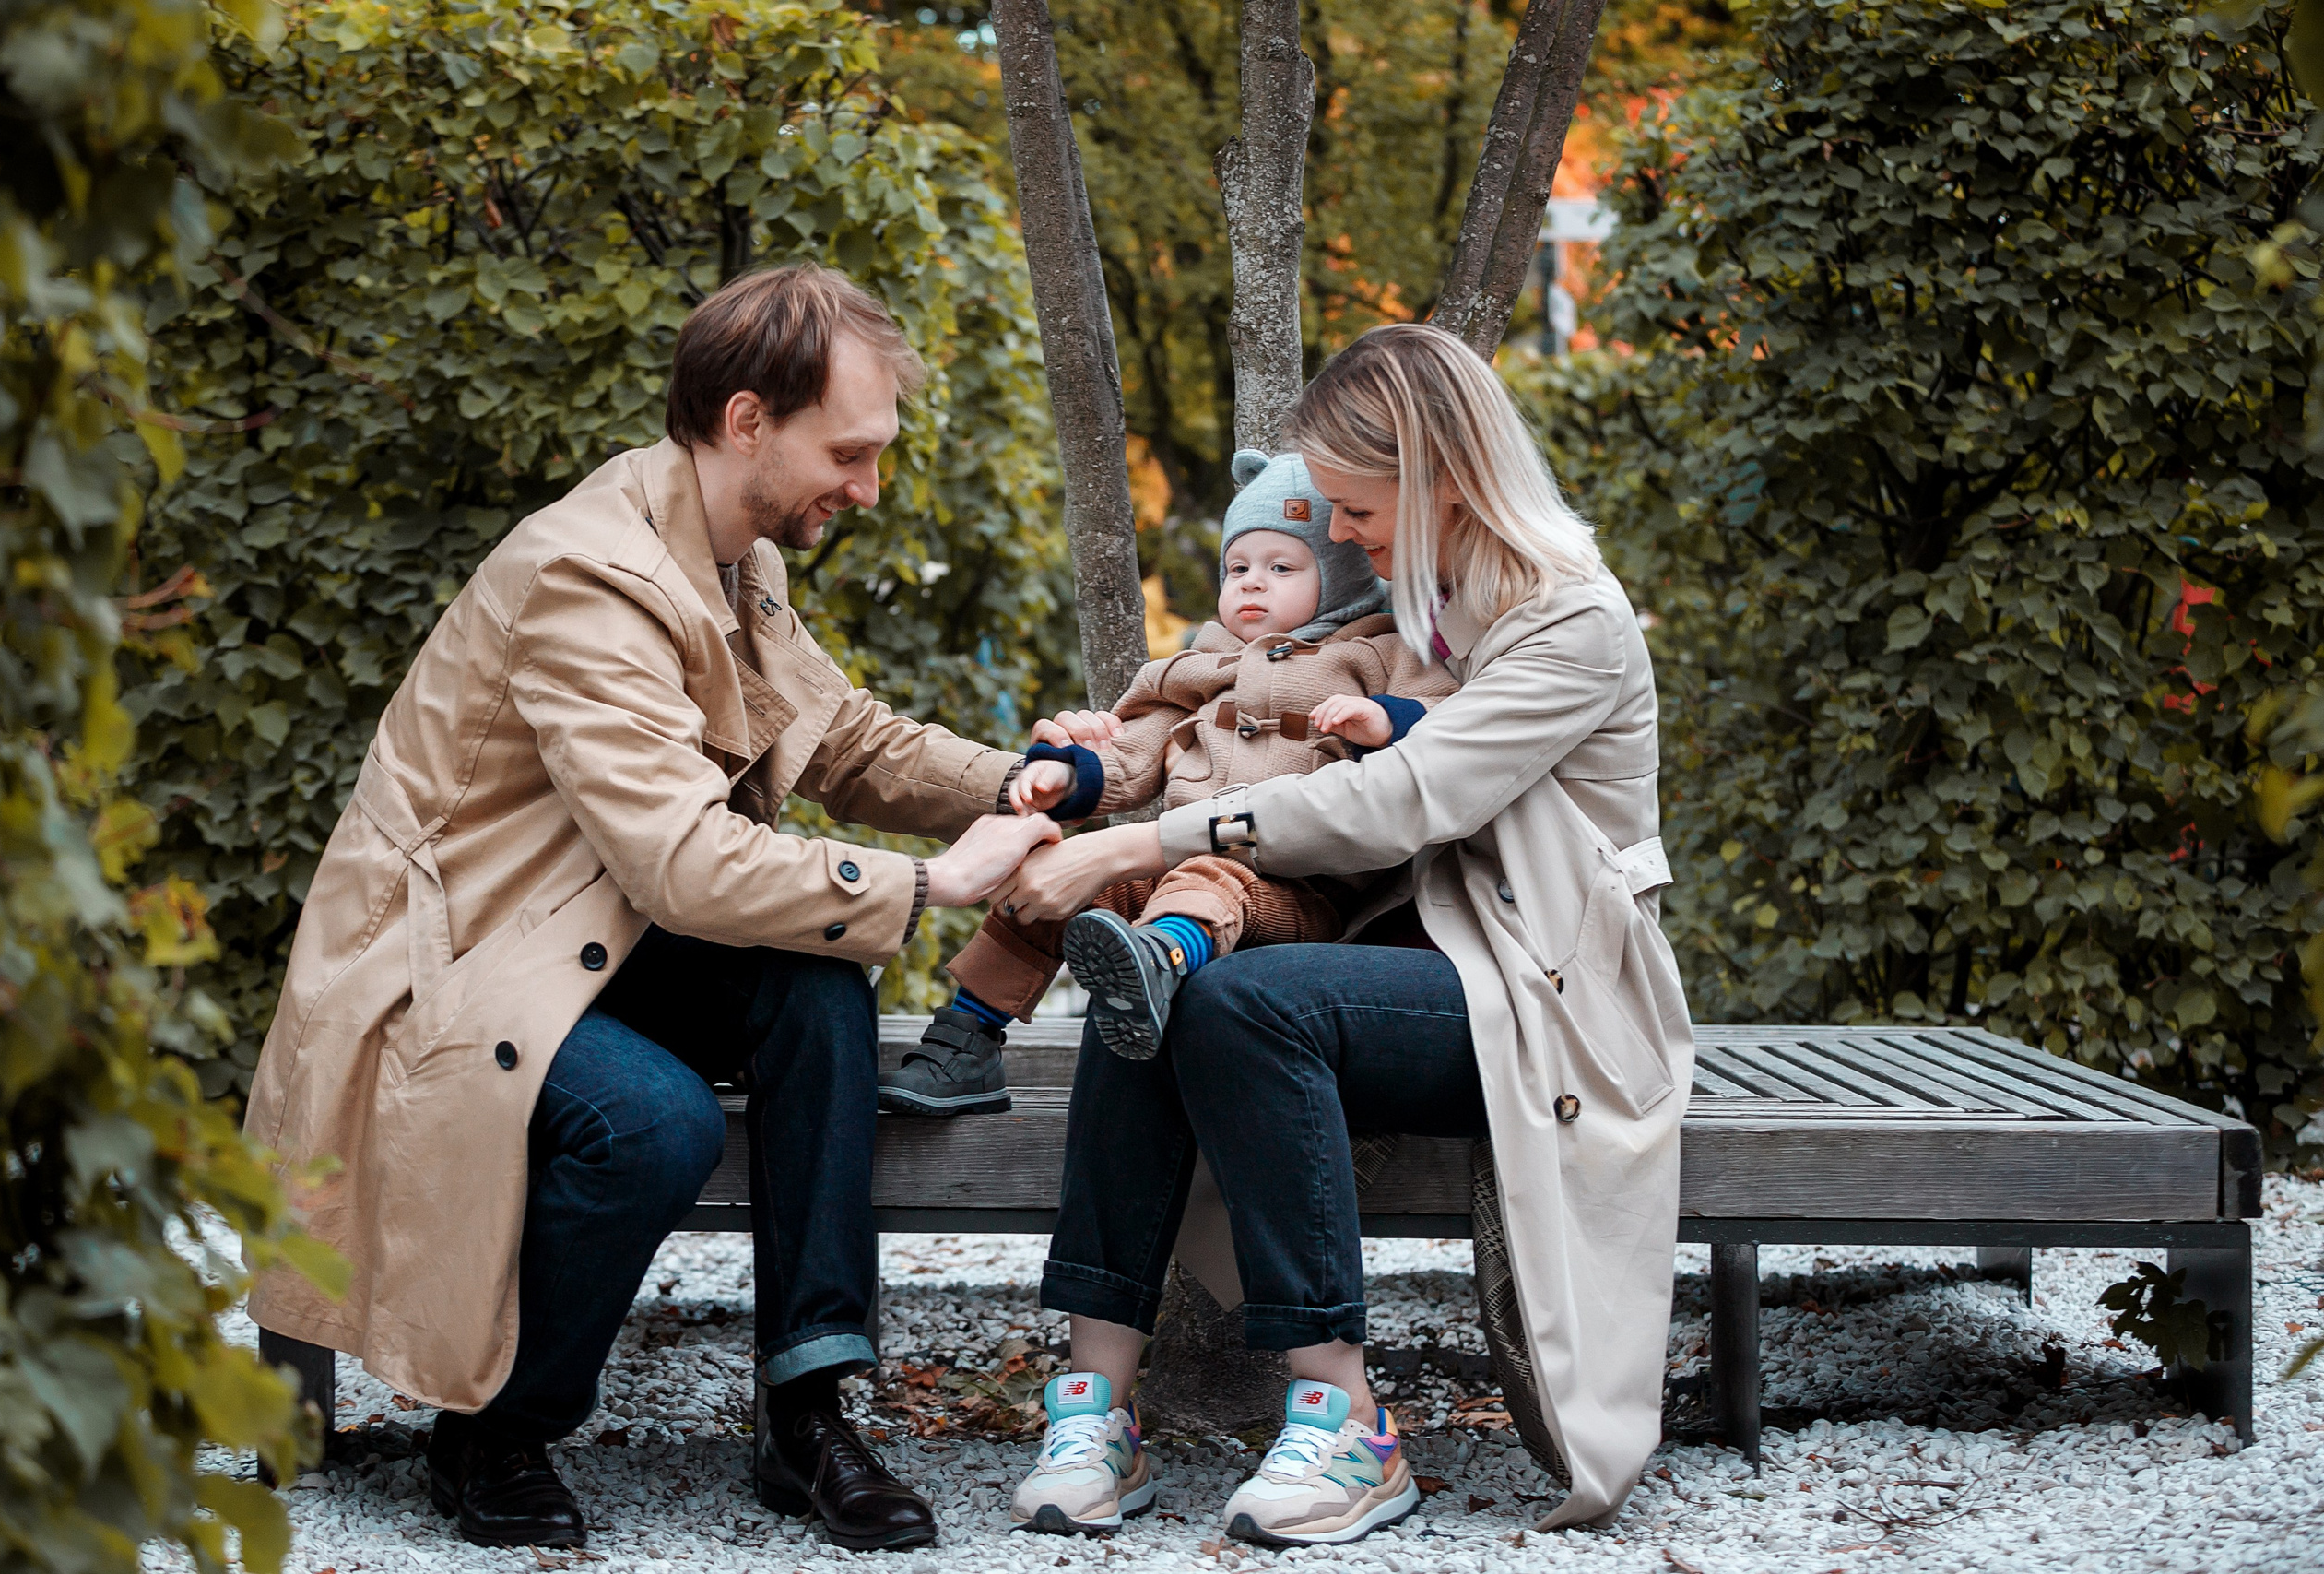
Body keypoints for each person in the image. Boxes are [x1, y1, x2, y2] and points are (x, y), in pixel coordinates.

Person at [241, 265, 1069, 1554]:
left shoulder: (732, 553)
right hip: (451, 959)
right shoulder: (591, 576)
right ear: (748, 421)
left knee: (812, 986)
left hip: (584, 930)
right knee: (649, 1122)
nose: (866, 484)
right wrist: (926, 881)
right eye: (847, 452)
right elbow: (682, 863)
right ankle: (498, 1427)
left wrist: (1011, 780)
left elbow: (839, 734)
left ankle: (810, 1408)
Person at [997, 323, 1694, 1545]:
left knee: (1239, 994)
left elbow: (1397, 799)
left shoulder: (1569, 626)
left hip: (1542, 994)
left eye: (1359, 507)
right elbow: (1240, 720)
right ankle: (1095, 1402)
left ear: (1444, 482)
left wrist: (1147, 840)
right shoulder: (1430, 620)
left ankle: (1348, 1420)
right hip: (1414, 957)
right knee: (1146, 974)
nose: (1346, 536)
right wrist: (1105, 757)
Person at [877, 450, 1457, 1115]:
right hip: (1173, 861)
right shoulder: (1198, 666)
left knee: (1204, 881)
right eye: (1238, 567)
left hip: (1295, 889)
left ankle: (1152, 965)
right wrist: (1064, 774)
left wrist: (1386, 720)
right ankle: (968, 1039)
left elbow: (1449, 727)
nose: (1252, 585)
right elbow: (1134, 748)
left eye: (1282, 567)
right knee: (1056, 878)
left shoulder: (1379, 653)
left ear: (1344, 575)